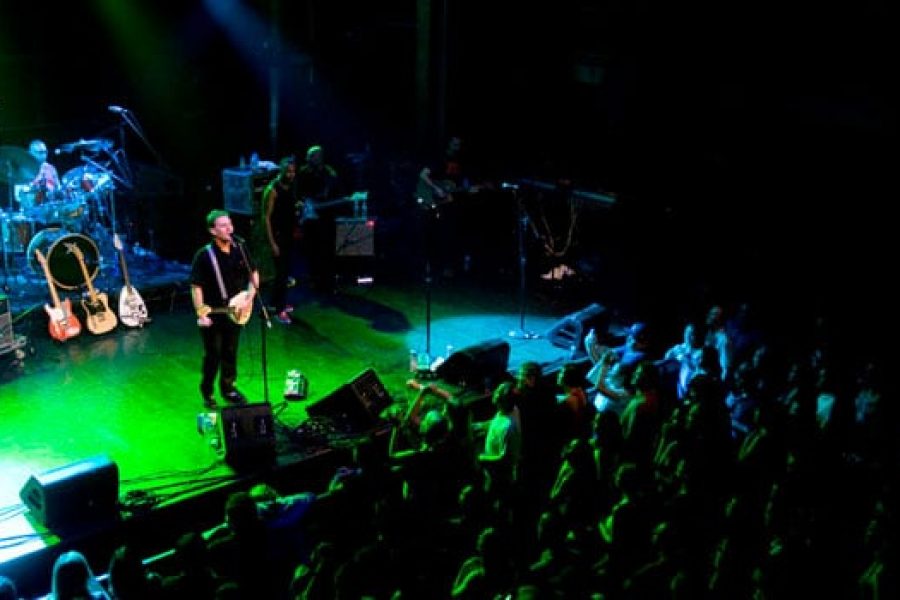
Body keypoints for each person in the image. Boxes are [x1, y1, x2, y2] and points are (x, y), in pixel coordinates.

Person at [191, 209, 259, 408]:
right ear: (213, 231)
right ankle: (207, 391)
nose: (228, 228)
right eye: (222, 225)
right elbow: (196, 287)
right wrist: (201, 313)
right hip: (215, 312)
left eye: (229, 224)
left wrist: (249, 299)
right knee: (213, 354)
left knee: (230, 351)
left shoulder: (240, 248)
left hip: (237, 310)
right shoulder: (204, 255)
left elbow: (253, 273)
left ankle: (229, 388)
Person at [296, 145, 340, 295]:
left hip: (326, 218)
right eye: (312, 156)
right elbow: (299, 192)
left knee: (327, 250)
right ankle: (314, 281)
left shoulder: (329, 173)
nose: (315, 159)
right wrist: (305, 204)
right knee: (312, 251)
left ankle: (328, 282)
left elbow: (334, 192)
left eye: (318, 155)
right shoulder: (303, 172)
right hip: (310, 219)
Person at [263, 156, 299, 324]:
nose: (291, 175)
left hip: (289, 234)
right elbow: (267, 218)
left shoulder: (291, 187)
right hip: (278, 237)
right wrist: (272, 243)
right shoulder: (272, 190)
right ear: (282, 171)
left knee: (285, 273)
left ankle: (274, 304)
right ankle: (280, 310)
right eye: (288, 171)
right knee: (281, 274)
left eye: (293, 171)